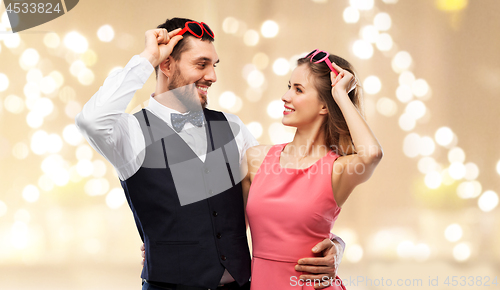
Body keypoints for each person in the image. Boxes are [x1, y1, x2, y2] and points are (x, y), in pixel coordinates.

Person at [76, 17, 345, 290]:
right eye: (201, 64)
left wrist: (334, 244)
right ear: (167, 65)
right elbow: (91, 120)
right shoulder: (131, 133)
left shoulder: (232, 127)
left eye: (213, 66)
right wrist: (148, 57)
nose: (212, 76)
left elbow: (286, 198)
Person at [242, 50, 383, 289]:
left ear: (325, 106)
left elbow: (371, 154)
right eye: (289, 86)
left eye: (298, 89)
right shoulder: (256, 159)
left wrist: (340, 95)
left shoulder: (337, 170)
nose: (285, 96)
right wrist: (337, 244)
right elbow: (227, 233)